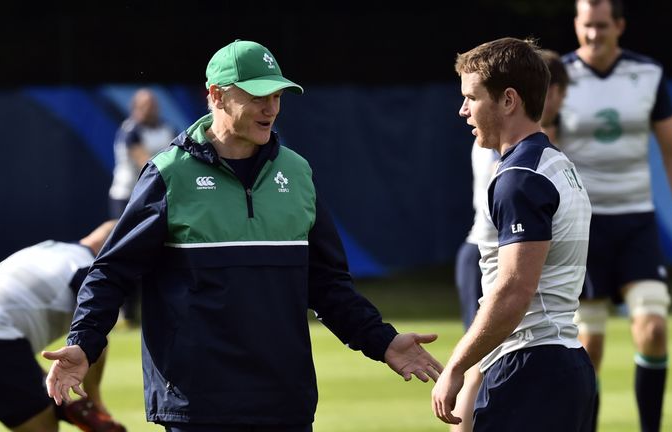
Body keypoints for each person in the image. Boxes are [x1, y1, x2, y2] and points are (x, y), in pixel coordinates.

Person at [43, 39, 443, 432]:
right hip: (198, 403)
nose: (270, 108)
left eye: (277, 95)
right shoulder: (170, 174)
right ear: (216, 96)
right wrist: (84, 342)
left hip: (284, 401)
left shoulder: (298, 173)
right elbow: (112, 271)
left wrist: (382, 341)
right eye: (256, 96)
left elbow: (326, 284)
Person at [431, 37, 595, 431]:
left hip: (530, 369)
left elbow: (514, 290)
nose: (463, 110)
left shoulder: (519, 179)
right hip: (562, 363)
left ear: (508, 100)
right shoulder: (557, 164)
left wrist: (456, 364)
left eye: (472, 97)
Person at [559, 1, 672, 431]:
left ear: (620, 26)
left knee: (654, 328)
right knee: (589, 348)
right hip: (583, 227)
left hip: (635, 220)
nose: (594, 35)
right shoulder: (558, 77)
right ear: (576, 26)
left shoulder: (647, 74)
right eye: (587, 26)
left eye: (602, 26)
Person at [0, 220, 125, 432]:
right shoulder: (90, 270)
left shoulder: (49, 248)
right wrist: (94, 401)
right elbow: (93, 336)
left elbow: (3, 318)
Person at [108, 88, 176, 328]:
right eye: (145, 105)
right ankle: (126, 312)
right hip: (127, 198)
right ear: (136, 108)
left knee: (160, 254)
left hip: (157, 197)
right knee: (127, 254)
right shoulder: (131, 130)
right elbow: (147, 163)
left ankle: (155, 308)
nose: (150, 109)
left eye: (153, 104)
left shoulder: (167, 128)